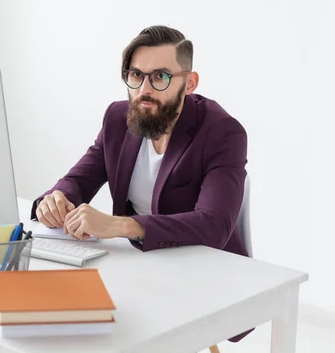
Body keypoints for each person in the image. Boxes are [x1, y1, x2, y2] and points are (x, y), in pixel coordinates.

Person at [31, 25, 252, 343]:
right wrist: (56, 197)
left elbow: (214, 225)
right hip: (135, 265)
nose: (144, 89)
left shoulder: (222, 132)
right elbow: (80, 178)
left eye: (160, 77)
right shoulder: (119, 117)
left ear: (189, 83)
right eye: (136, 75)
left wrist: (119, 226)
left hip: (201, 271)